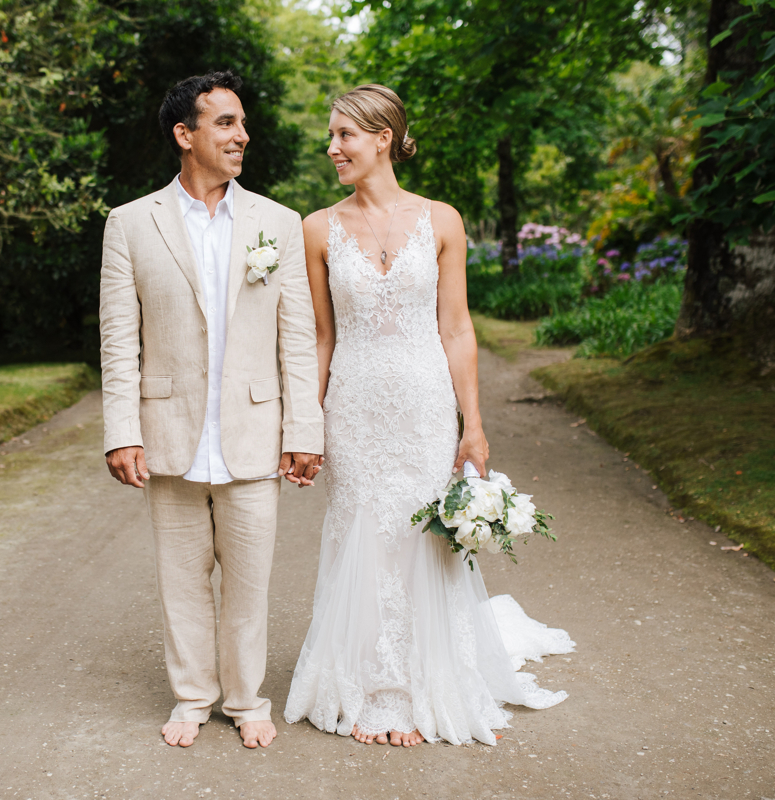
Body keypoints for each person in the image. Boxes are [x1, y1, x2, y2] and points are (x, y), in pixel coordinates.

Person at [283, 84, 574, 747]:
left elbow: (457, 328)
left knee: (421, 535)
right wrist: (303, 425)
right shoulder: (316, 228)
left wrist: (473, 424)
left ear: (382, 137)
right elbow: (321, 337)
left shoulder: (442, 220)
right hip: (353, 404)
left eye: (343, 136)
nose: (332, 148)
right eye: (331, 137)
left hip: (424, 403)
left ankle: (424, 684)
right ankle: (365, 684)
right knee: (360, 529)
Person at [99, 71, 323, 750]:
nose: (241, 135)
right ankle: (192, 699)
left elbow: (297, 339)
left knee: (249, 583)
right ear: (184, 134)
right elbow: (118, 339)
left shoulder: (276, 224)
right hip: (170, 432)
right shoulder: (131, 223)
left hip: (253, 432)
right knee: (182, 582)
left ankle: (247, 700)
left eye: (242, 123)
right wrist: (122, 431)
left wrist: (303, 429)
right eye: (225, 122)